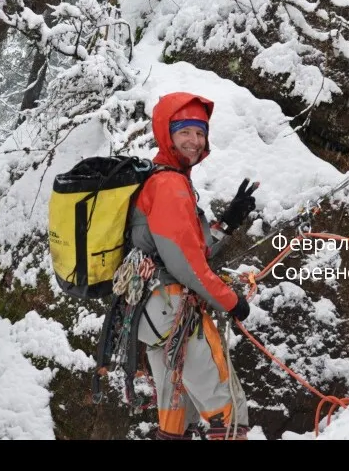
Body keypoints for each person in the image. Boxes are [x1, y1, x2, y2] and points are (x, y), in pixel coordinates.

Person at [130, 92, 258, 440]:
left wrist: (228, 222)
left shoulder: (165, 178)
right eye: (185, 131)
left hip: (151, 316)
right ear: (166, 133)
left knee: (175, 410)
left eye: (200, 133)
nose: (195, 141)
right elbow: (187, 266)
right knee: (227, 409)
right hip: (174, 312)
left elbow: (189, 249)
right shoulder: (169, 185)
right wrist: (232, 302)